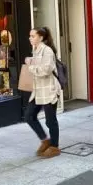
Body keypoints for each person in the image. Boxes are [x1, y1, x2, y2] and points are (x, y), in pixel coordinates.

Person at [25, 27, 62, 158]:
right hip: (38, 90)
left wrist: (30, 67)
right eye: (30, 36)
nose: (30, 38)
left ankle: (54, 147)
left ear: (41, 37)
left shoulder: (47, 50)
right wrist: (31, 61)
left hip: (49, 89)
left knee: (50, 120)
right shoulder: (35, 50)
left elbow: (46, 69)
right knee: (29, 116)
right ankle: (45, 140)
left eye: (33, 36)